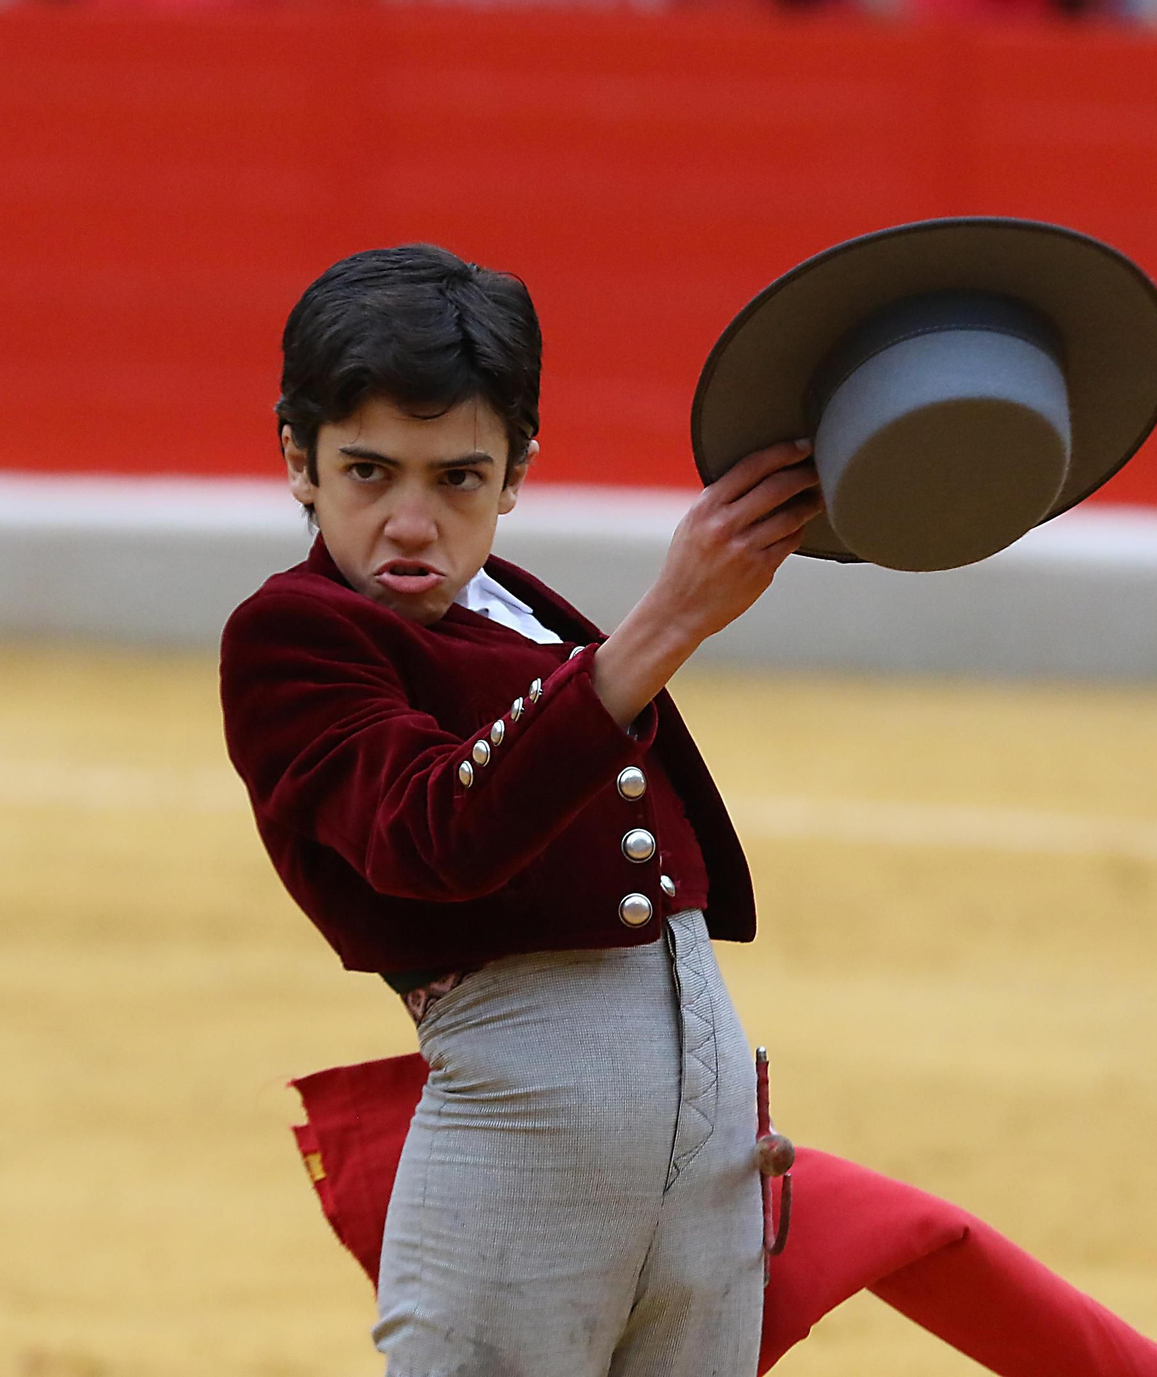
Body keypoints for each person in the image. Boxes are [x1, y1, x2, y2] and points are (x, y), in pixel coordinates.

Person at [219, 242, 822, 1377]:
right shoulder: (291, 636)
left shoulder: (513, 609)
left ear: (516, 471)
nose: (410, 522)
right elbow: (432, 835)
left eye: (455, 477)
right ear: (296, 458)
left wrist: (700, 1117)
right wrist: (666, 624)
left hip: (703, 1148)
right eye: (367, 472)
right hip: (519, 1131)